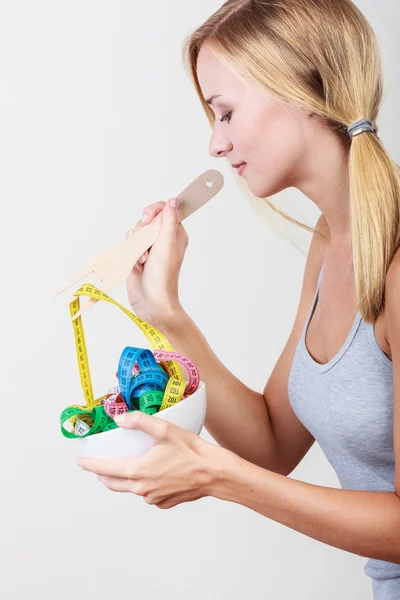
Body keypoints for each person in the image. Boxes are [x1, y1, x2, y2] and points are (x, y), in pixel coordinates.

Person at [76, 1, 400, 598]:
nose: (214, 145)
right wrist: (163, 311)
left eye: (225, 113)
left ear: (303, 90)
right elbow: (271, 444)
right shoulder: (333, 241)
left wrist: (215, 475)